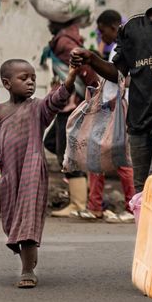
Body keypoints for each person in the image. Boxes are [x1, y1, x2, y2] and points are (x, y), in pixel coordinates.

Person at [0, 60, 77, 288]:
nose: (31, 82)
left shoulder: (38, 108)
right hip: (10, 176)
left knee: (27, 219)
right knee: (13, 220)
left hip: (33, 172)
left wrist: (71, 76)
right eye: (24, 78)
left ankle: (27, 270)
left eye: (33, 78)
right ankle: (27, 256)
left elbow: (57, 99)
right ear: (7, 83)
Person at [71, 0, 152, 195]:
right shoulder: (133, 27)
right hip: (138, 120)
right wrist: (92, 59)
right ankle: (144, 230)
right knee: (141, 190)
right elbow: (118, 72)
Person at [80, 10, 136, 223]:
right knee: (97, 157)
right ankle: (95, 206)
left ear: (113, 28)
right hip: (110, 108)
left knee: (119, 159)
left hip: (118, 109)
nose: (101, 35)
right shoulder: (115, 49)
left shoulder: (123, 49)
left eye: (102, 31)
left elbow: (127, 79)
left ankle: (131, 206)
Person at [46, 19, 99, 217]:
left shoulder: (64, 43)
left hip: (71, 106)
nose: (48, 25)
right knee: (52, 143)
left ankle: (78, 203)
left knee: (69, 155)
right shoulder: (65, 40)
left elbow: (85, 70)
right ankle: (78, 193)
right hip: (65, 105)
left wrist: (94, 96)